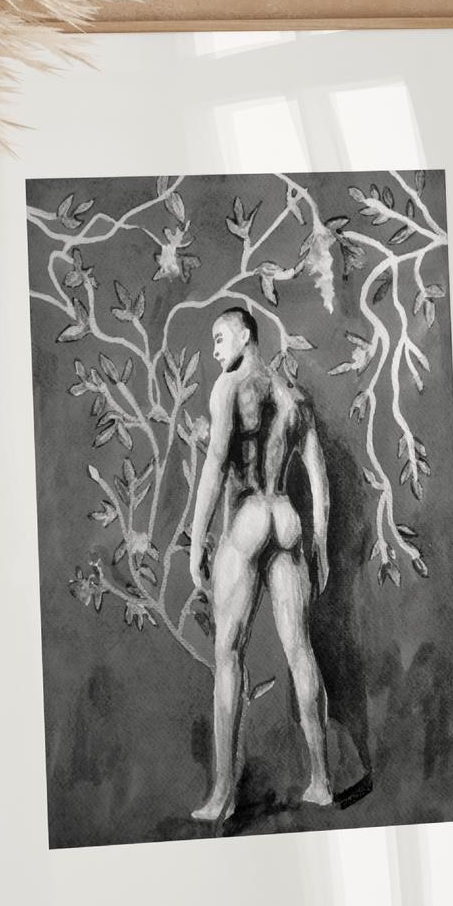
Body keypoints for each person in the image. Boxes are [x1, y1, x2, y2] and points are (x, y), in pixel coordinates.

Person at [188, 307, 333, 822]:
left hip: (250, 516)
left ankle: (223, 793)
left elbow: (214, 463)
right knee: (299, 650)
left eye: (220, 337)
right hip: (288, 519)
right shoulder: (295, 398)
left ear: (246, 335)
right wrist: (318, 542)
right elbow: (317, 478)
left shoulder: (230, 389)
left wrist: (197, 536)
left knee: (228, 653)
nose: (214, 348)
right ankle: (320, 779)